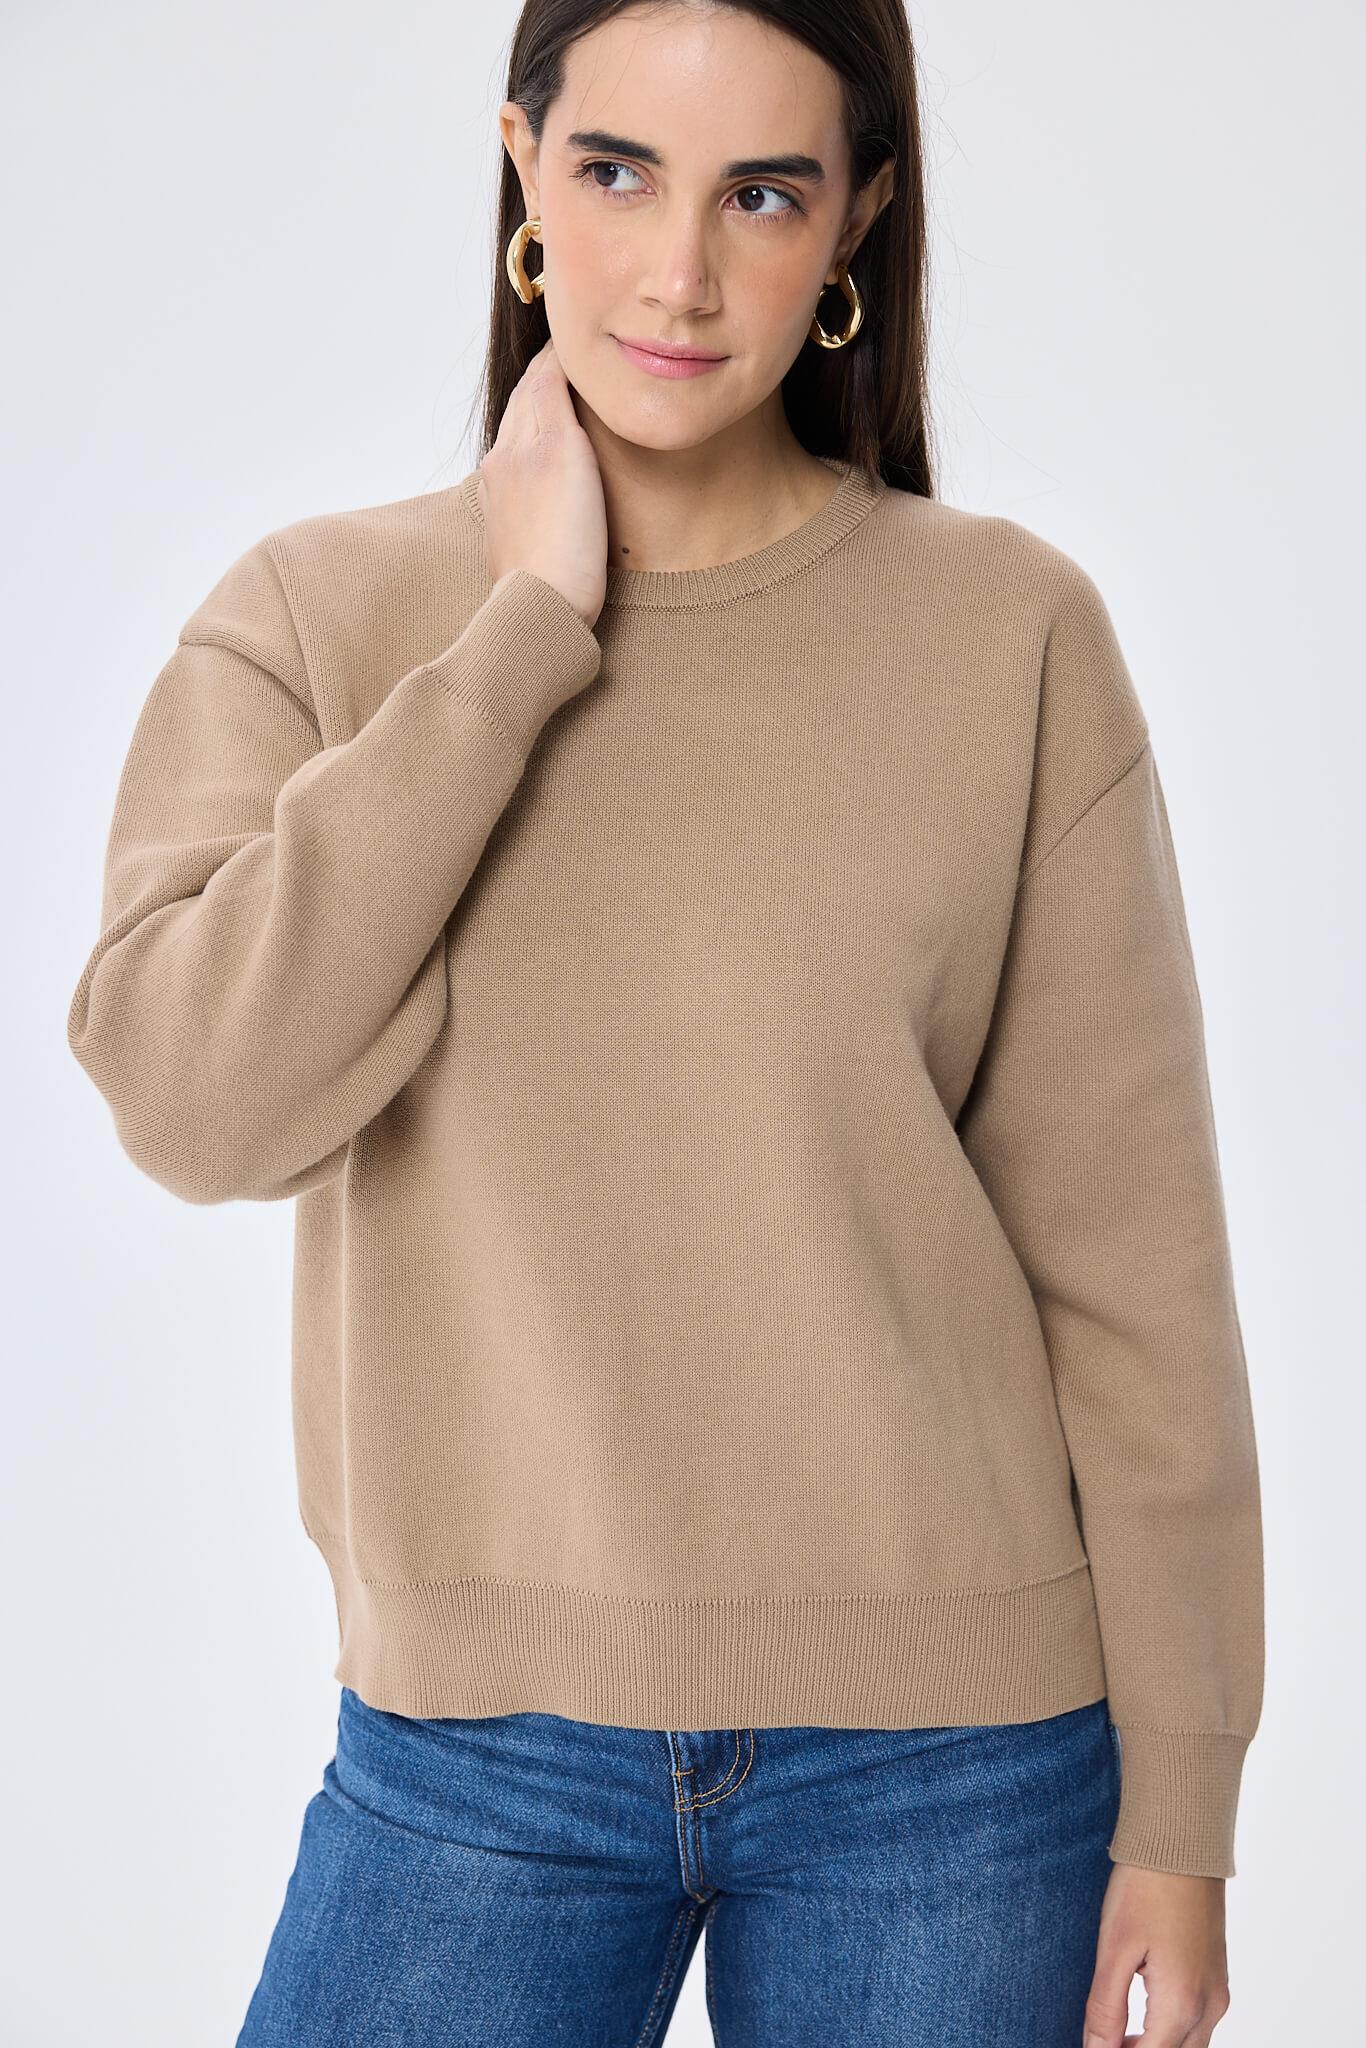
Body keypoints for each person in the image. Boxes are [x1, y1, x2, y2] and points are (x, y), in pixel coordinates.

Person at [65, 3, 1265, 2043]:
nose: (680, 275)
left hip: (951, 1761)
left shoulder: (1007, 635)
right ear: (521, 171)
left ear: (855, 223)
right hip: (475, 1753)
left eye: (762, 196)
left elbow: (1129, 1273)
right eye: (616, 171)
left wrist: (1182, 1808)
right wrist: (523, 630)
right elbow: (193, 1103)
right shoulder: (317, 621)